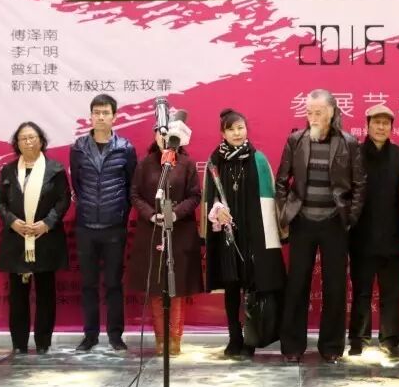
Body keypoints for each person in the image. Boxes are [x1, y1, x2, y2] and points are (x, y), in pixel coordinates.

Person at [275, 89, 367, 363]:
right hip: (302, 222)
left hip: (334, 222)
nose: (313, 117)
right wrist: (285, 214)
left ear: (332, 112)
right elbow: (281, 182)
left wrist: (350, 218)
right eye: (309, 112)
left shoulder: (348, 143)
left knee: (335, 286)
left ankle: (331, 347)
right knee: (297, 284)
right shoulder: (296, 140)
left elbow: (359, 184)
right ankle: (292, 346)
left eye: (318, 112)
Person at [203, 108, 286, 357]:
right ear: (223, 133)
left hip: (254, 233)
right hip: (227, 234)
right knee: (231, 286)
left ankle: (251, 337)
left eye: (240, 128)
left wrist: (274, 232)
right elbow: (209, 196)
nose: (237, 133)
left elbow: (269, 198)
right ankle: (234, 337)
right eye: (231, 129)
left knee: (253, 285)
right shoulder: (215, 161)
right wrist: (217, 210)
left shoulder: (258, 159)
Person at [0, 122, 71, 354]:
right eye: (23, 138)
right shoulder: (8, 170)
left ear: (41, 140)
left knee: (46, 294)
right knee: (18, 296)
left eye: (32, 137)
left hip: (46, 239)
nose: (28, 142)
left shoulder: (55, 169)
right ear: (16, 143)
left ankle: (43, 343)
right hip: (17, 240)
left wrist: (47, 223)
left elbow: (63, 200)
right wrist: (12, 221)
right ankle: (19, 344)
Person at [127, 122, 203, 356]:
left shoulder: (187, 164)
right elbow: (135, 194)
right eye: (161, 133)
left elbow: (195, 196)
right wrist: (152, 214)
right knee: (156, 289)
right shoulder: (145, 163)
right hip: (151, 230)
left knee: (176, 288)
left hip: (180, 231)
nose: (165, 138)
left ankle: (175, 338)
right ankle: (160, 338)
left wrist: (174, 214)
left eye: (170, 134)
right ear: (155, 136)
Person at [70, 94, 137, 353]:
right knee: (88, 284)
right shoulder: (78, 147)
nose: (100, 117)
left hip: (114, 227)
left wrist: (119, 213)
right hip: (86, 225)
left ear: (114, 117)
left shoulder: (125, 147)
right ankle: (90, 335)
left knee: (113, 284)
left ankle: (115, 335)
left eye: (105, 112)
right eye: (96, 112)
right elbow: (77, 183)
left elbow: (131, 186)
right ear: (90, 116)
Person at [348, 104, 399, 357]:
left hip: (393, 236)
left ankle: (390, 340)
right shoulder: (355, 154)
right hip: (361, 237)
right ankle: (358, 339)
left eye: (386, 123)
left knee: (391, 293)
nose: (381, 127)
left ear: (391, 128)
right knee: (361, 292)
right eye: (376, 122)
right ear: (367, 125)